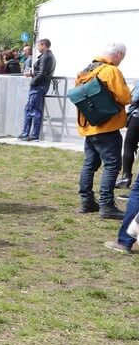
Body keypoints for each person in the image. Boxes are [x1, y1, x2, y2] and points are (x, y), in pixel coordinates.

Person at [74, 43, 129, 219]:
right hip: (107, 126)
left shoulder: (86, 70)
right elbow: (125, 97)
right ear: (118, 55)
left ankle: (86, 201)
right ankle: (106, 205)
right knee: (112, 165)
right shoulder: (111, 71)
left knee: (89, 164)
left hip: (89, 125)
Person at [19, 39, 55, 141]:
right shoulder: (48, 56)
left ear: (43, 45)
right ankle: (26, 132)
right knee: (29, 109)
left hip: (39, 86)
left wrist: (31, 77)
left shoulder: (46, 57)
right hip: (40, 86)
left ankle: (33, 134)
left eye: (39, 46)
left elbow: (42, 73)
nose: (38, 48)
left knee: (34, 110)